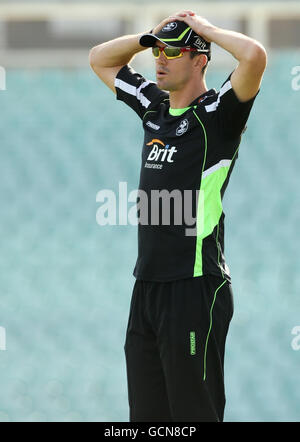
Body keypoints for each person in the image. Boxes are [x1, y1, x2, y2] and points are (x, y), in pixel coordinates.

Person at [89, 10, 267, 422]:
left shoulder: (218, 114)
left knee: (193, 415)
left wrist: (204, 30)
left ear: (200, 59)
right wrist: (150, 36)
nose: (160, 59)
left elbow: (254, 57)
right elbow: (100, 58)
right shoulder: (154, 106)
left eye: (173, 51)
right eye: (158, 53)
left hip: (194, 287)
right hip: (147, 286)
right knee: (147, 419)